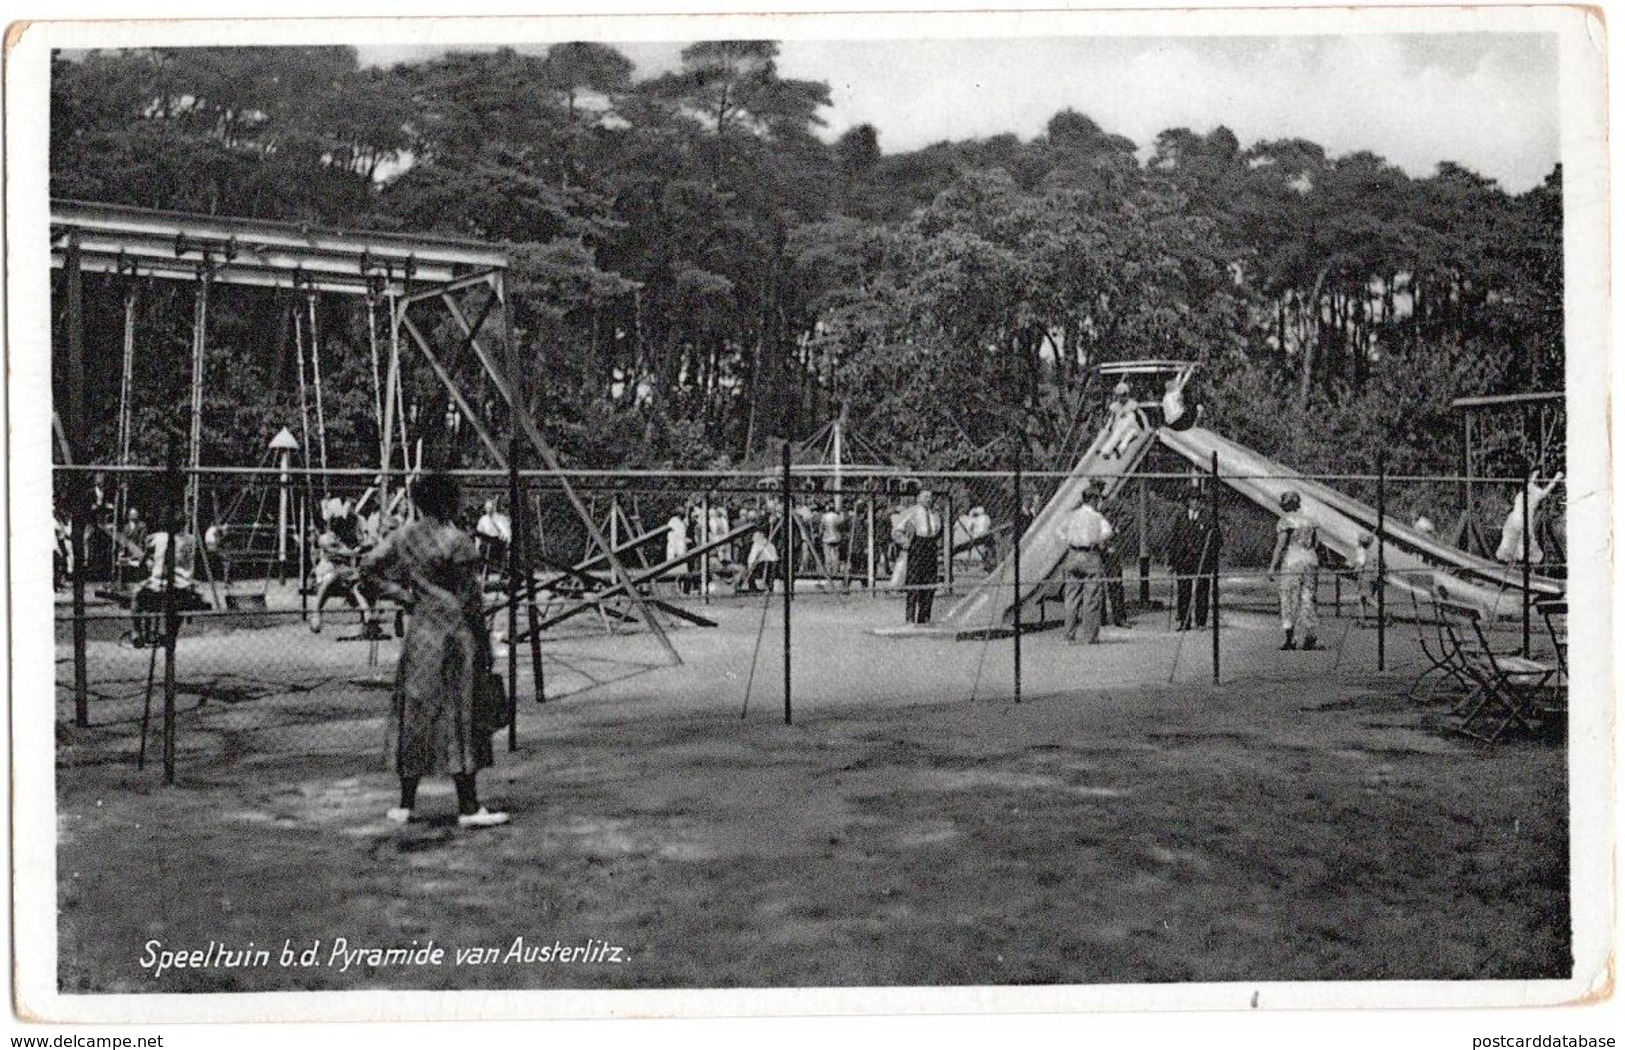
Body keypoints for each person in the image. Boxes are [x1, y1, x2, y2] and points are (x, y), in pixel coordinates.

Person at [360, 472, 508, 829]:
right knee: (461, 715)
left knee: (415, 713)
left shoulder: (403, 536)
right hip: (456, 636)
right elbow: (471, 601)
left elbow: (367, 569)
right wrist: (485, 646)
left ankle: (406, 803)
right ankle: (469, 805)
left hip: (420, 635)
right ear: (447, 501)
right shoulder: (456, 541)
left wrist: (404, 596)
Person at [128, 515, 209, 647]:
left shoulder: (159, 537)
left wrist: (149, 559)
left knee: (137, 594)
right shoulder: (192, 540)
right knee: (180, 604)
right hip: (183, 584)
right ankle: (171, 634)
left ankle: (136, 632)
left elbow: (145, 547)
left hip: (160, 583)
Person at [311, 497, 380, 637]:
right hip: (328, 570)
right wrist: (355, 551)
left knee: (358, 583)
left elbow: (360, 545)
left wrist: (363, 547)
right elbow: (339, 551)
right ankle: (316, 612)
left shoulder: (346, 537)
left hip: (345, 572)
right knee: (332, 578)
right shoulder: (326, 538)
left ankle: (368, 617)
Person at [1054, 482, 1114, 644]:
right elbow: (1108, 532)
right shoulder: (1097, 517)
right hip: (1090, 554)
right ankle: (1089, 636)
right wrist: (1096, 539)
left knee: (1071, 597)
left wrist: (1069, 540)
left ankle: (1069, 635)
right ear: (1093, 500)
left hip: (1073, 554)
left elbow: (1059, 531)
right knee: (1091, 598)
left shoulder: (1072, 515)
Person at [1267, 490, 1321, 651]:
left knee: (1289, 597)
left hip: (1293, 561)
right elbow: (1316, 544)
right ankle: (1308, 635)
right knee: (1308, 596)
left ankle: (1290, 638)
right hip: (1310, 560)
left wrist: (1272, 566)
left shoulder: (1286, 521)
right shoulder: (1309, 520)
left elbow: (1280, 545)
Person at [1167, 498, 1220, 630]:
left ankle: (1201, 622)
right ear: (1188, 501)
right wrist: (1171, 561)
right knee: (1183, 590)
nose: (1195, 503)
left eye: (1198, 500)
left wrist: (1209, 557)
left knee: (1202, 590)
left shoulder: (1208, 517)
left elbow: (1217, 539)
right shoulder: (1180, 516)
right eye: (1192, 499)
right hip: (1184, 559)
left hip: (1201, 560)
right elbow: (1173, 538)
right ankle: (1184, 621)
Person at [1496, 471, 1563, 566]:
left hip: (1514, 519)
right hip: (1523, 522)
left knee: (1511, 542)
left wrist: (1535, 475)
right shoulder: (1537, 495)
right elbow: (1549, 488)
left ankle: (1512, 562)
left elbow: (1532, 483)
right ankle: (1520, 562)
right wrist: (1557, 477)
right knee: (1522, 545)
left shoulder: (1523, 492)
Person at [896, 488, 943, 624]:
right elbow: (897, 529)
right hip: (917, 545)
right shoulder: (912, 512)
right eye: (926, 497)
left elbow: (938, 529)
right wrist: (905, 542)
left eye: (930, 497)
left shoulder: (934, 513)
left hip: (930, 546)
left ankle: (924, 617)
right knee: (914, 581)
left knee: (930, 582)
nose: (929, 499)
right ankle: (910, 618)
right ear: (919, 498)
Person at [475, 499, 512, 578]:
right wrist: (477, 547)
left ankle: (504, 573)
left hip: (497, 543)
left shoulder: (500, 518)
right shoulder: (483, 520)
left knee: (503, 554)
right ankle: (485, 574)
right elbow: (478, 534)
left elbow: (506, 531)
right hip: (486, 543)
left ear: (494, 508)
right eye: (487, 507)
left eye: (490, 507)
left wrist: (507, 540)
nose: (489, 509)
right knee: (484, 554)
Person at [1352, 531, 1379, 626]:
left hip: (1365, 575)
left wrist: (1355, 568)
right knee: (1361, 598)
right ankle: (1361, 618)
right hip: (1372, 575)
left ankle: (1384, 613)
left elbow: (1361, 563)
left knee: (1367, 598)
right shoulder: (1370, 551)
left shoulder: (1361, 551)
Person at [744, 528, 779, 593]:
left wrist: (749, 567)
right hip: (773, 563)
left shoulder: (757, 544)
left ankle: (752, 586)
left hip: (765, 564)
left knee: (750, 570)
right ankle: (770, 586)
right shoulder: (768, 543)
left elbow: (752, 557)